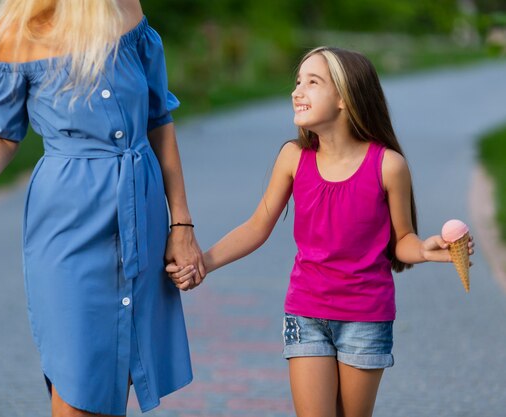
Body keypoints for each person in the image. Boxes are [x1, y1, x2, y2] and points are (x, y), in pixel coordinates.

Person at [0, 0, 205, 416]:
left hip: (141, 209)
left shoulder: (126, 10)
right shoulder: (18, 31)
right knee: (78, 377)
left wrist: (181, 223)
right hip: (68, 222)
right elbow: (3, 132)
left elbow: (159, 120)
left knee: (114, 370)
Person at [167, 46, 474, 417]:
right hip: (306, 313)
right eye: (298, 82)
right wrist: (202, 263)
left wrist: (426, 249)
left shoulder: (388, 166)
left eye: (313, 82)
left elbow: (403, 240)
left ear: (346, 98)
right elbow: (256, 226)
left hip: (366, 317)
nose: (298, 91)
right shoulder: (293, 158)